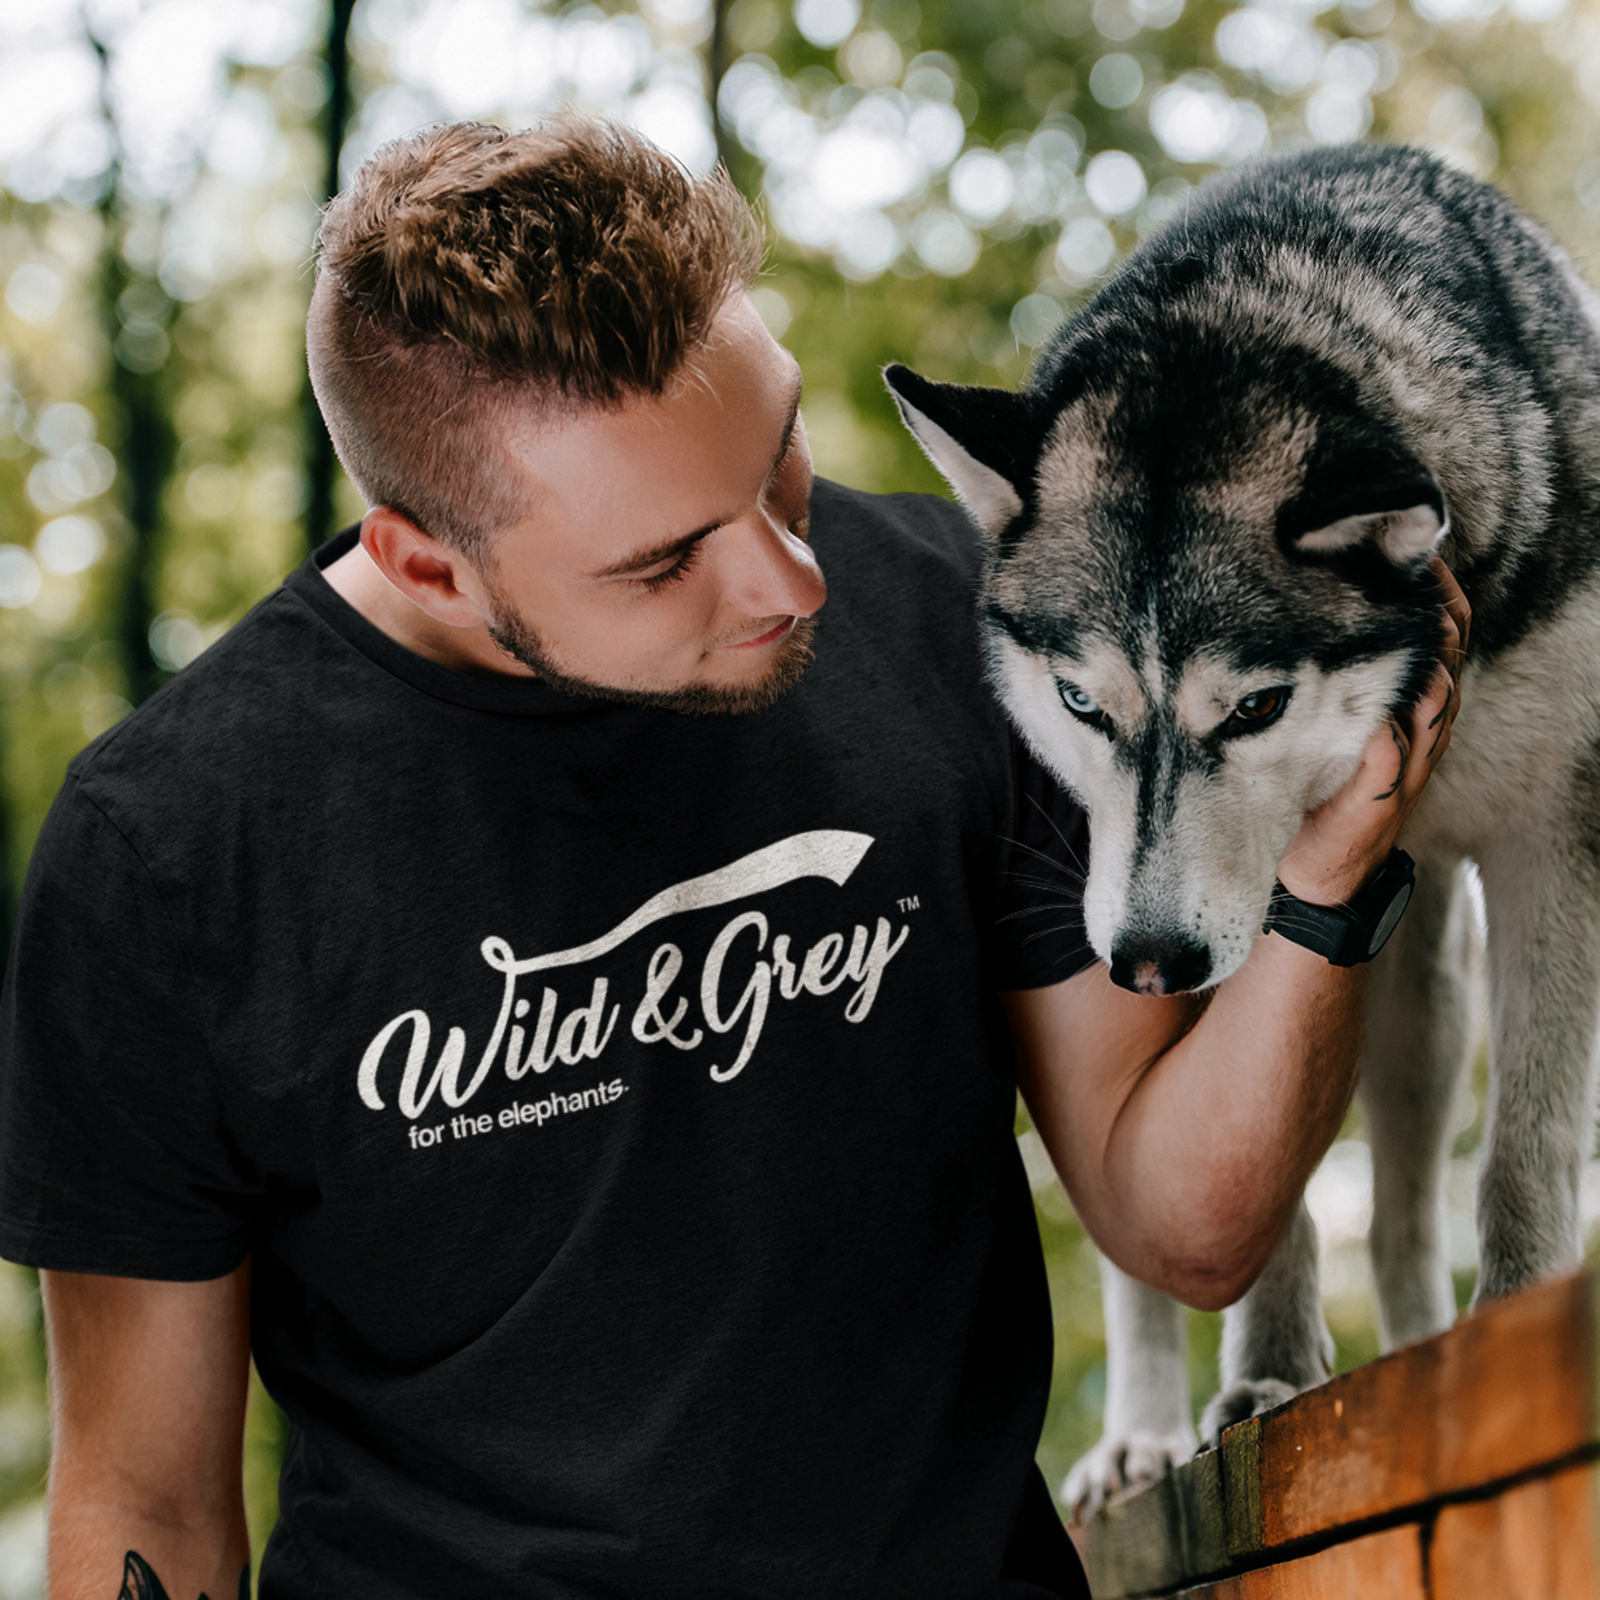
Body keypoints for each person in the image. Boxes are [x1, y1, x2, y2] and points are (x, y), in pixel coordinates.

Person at [0, 119, 1464, 1600]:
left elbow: (1186, 1225)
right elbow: (144, 1502)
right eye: (663, 560)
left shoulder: (966, 633)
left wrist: (1326, 885)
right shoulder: (169, 853)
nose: (791, 578)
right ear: (426, 560)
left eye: (781, 464)